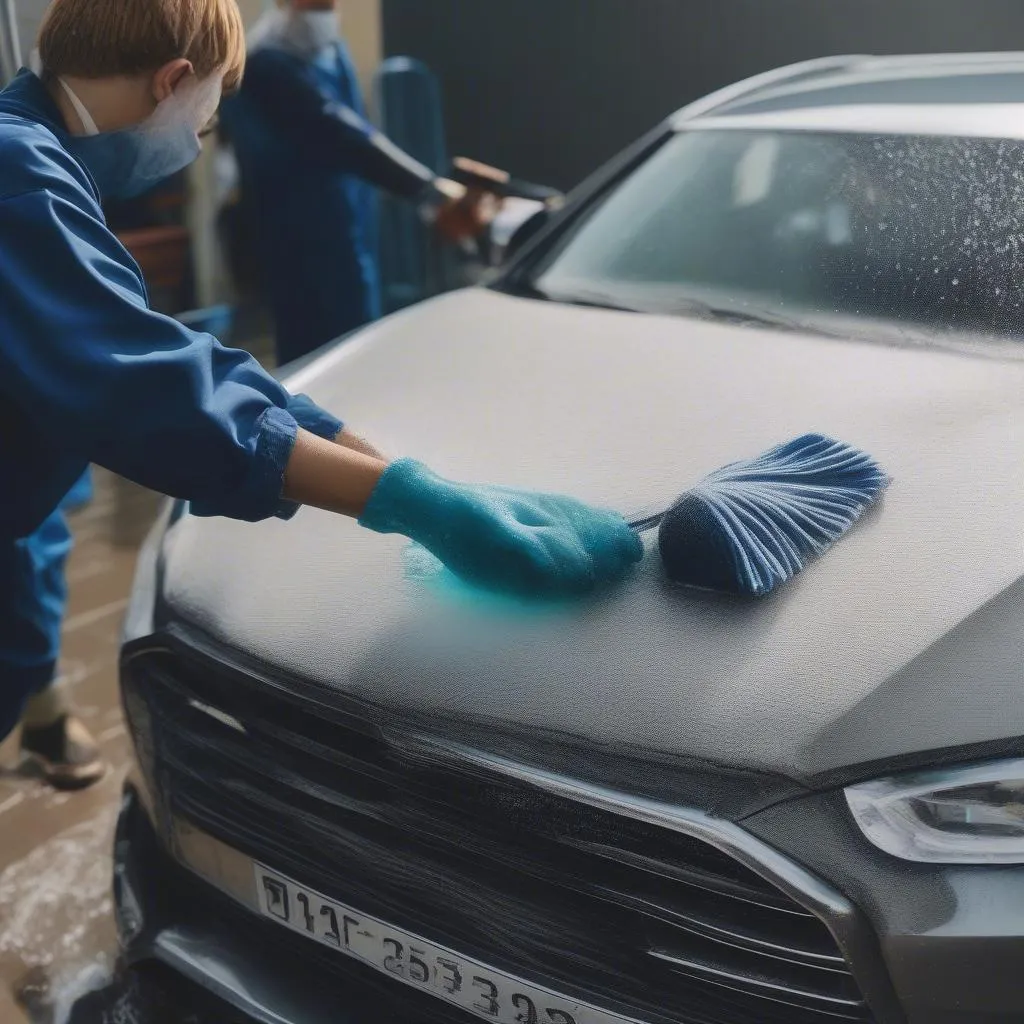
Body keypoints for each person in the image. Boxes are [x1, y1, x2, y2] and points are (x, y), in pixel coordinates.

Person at [0, 0, 643, 784]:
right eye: (201, 128)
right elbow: (139, 384)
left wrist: (382, 462)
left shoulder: (33, 160)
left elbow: (171, 355)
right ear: (171, 83)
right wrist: (410, 505)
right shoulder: (19, 177)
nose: (196, 148)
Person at [220, 0, 478, 366]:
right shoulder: (263, 64)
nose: (325, 11)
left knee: (359, 353)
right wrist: (429, 190)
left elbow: (361, 132)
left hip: (351, 234)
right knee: (316, 364)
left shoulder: (331, 51)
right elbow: (338, 131)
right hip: (298, 246)